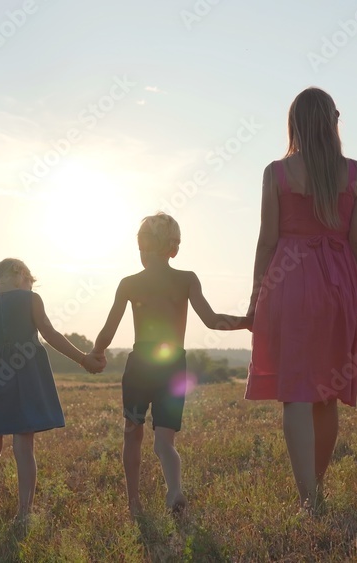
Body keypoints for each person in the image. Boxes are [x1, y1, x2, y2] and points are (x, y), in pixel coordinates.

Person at [246, 87, 357, 513]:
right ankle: (315, 488)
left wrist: (254, 299)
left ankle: (309, 498)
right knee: (327, 391)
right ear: (332, 121)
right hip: (338, 282)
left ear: (295, 124)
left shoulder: (277, 172)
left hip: (289, 280)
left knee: (296, 394)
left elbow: (267, 241)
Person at [91, 213, 249, 516]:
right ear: (174, 249)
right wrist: (248, 322)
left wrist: (96, 353)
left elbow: (109, 329)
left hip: (140, 365)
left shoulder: (129, 283)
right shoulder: (186, 279)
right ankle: (174, 489)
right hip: (174, 364)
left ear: (144, 248)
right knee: (165, 441)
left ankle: (134, 502)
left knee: (132, 432)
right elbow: (213, 320)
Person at [0, 258, 104, 523]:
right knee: (24, 446)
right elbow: (49, 332)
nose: (30, 286)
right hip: (24, 374)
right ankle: (24, 511)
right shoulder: (31, 299)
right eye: (30, 281)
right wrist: (82, 358)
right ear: (20, 274)